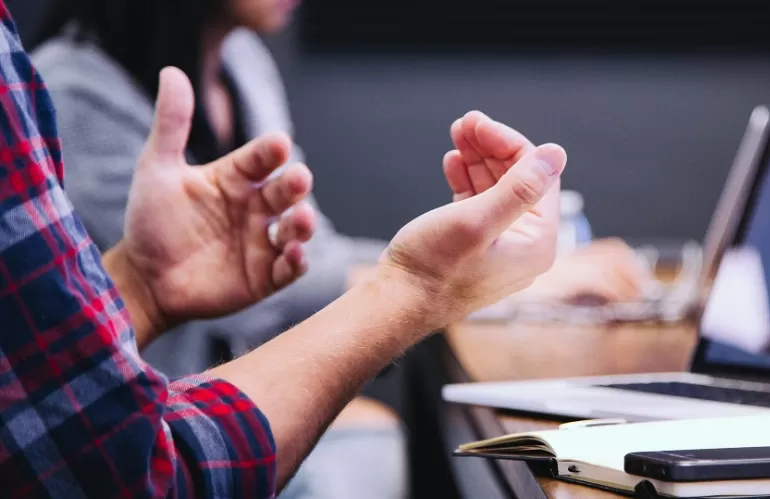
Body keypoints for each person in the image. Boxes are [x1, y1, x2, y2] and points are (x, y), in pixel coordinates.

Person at [0, 1, 573, 496]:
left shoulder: (242, 61)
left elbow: (303, 252)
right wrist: (427, 284)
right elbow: (125, 473)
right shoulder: (72, 91)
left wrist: (144, 287)